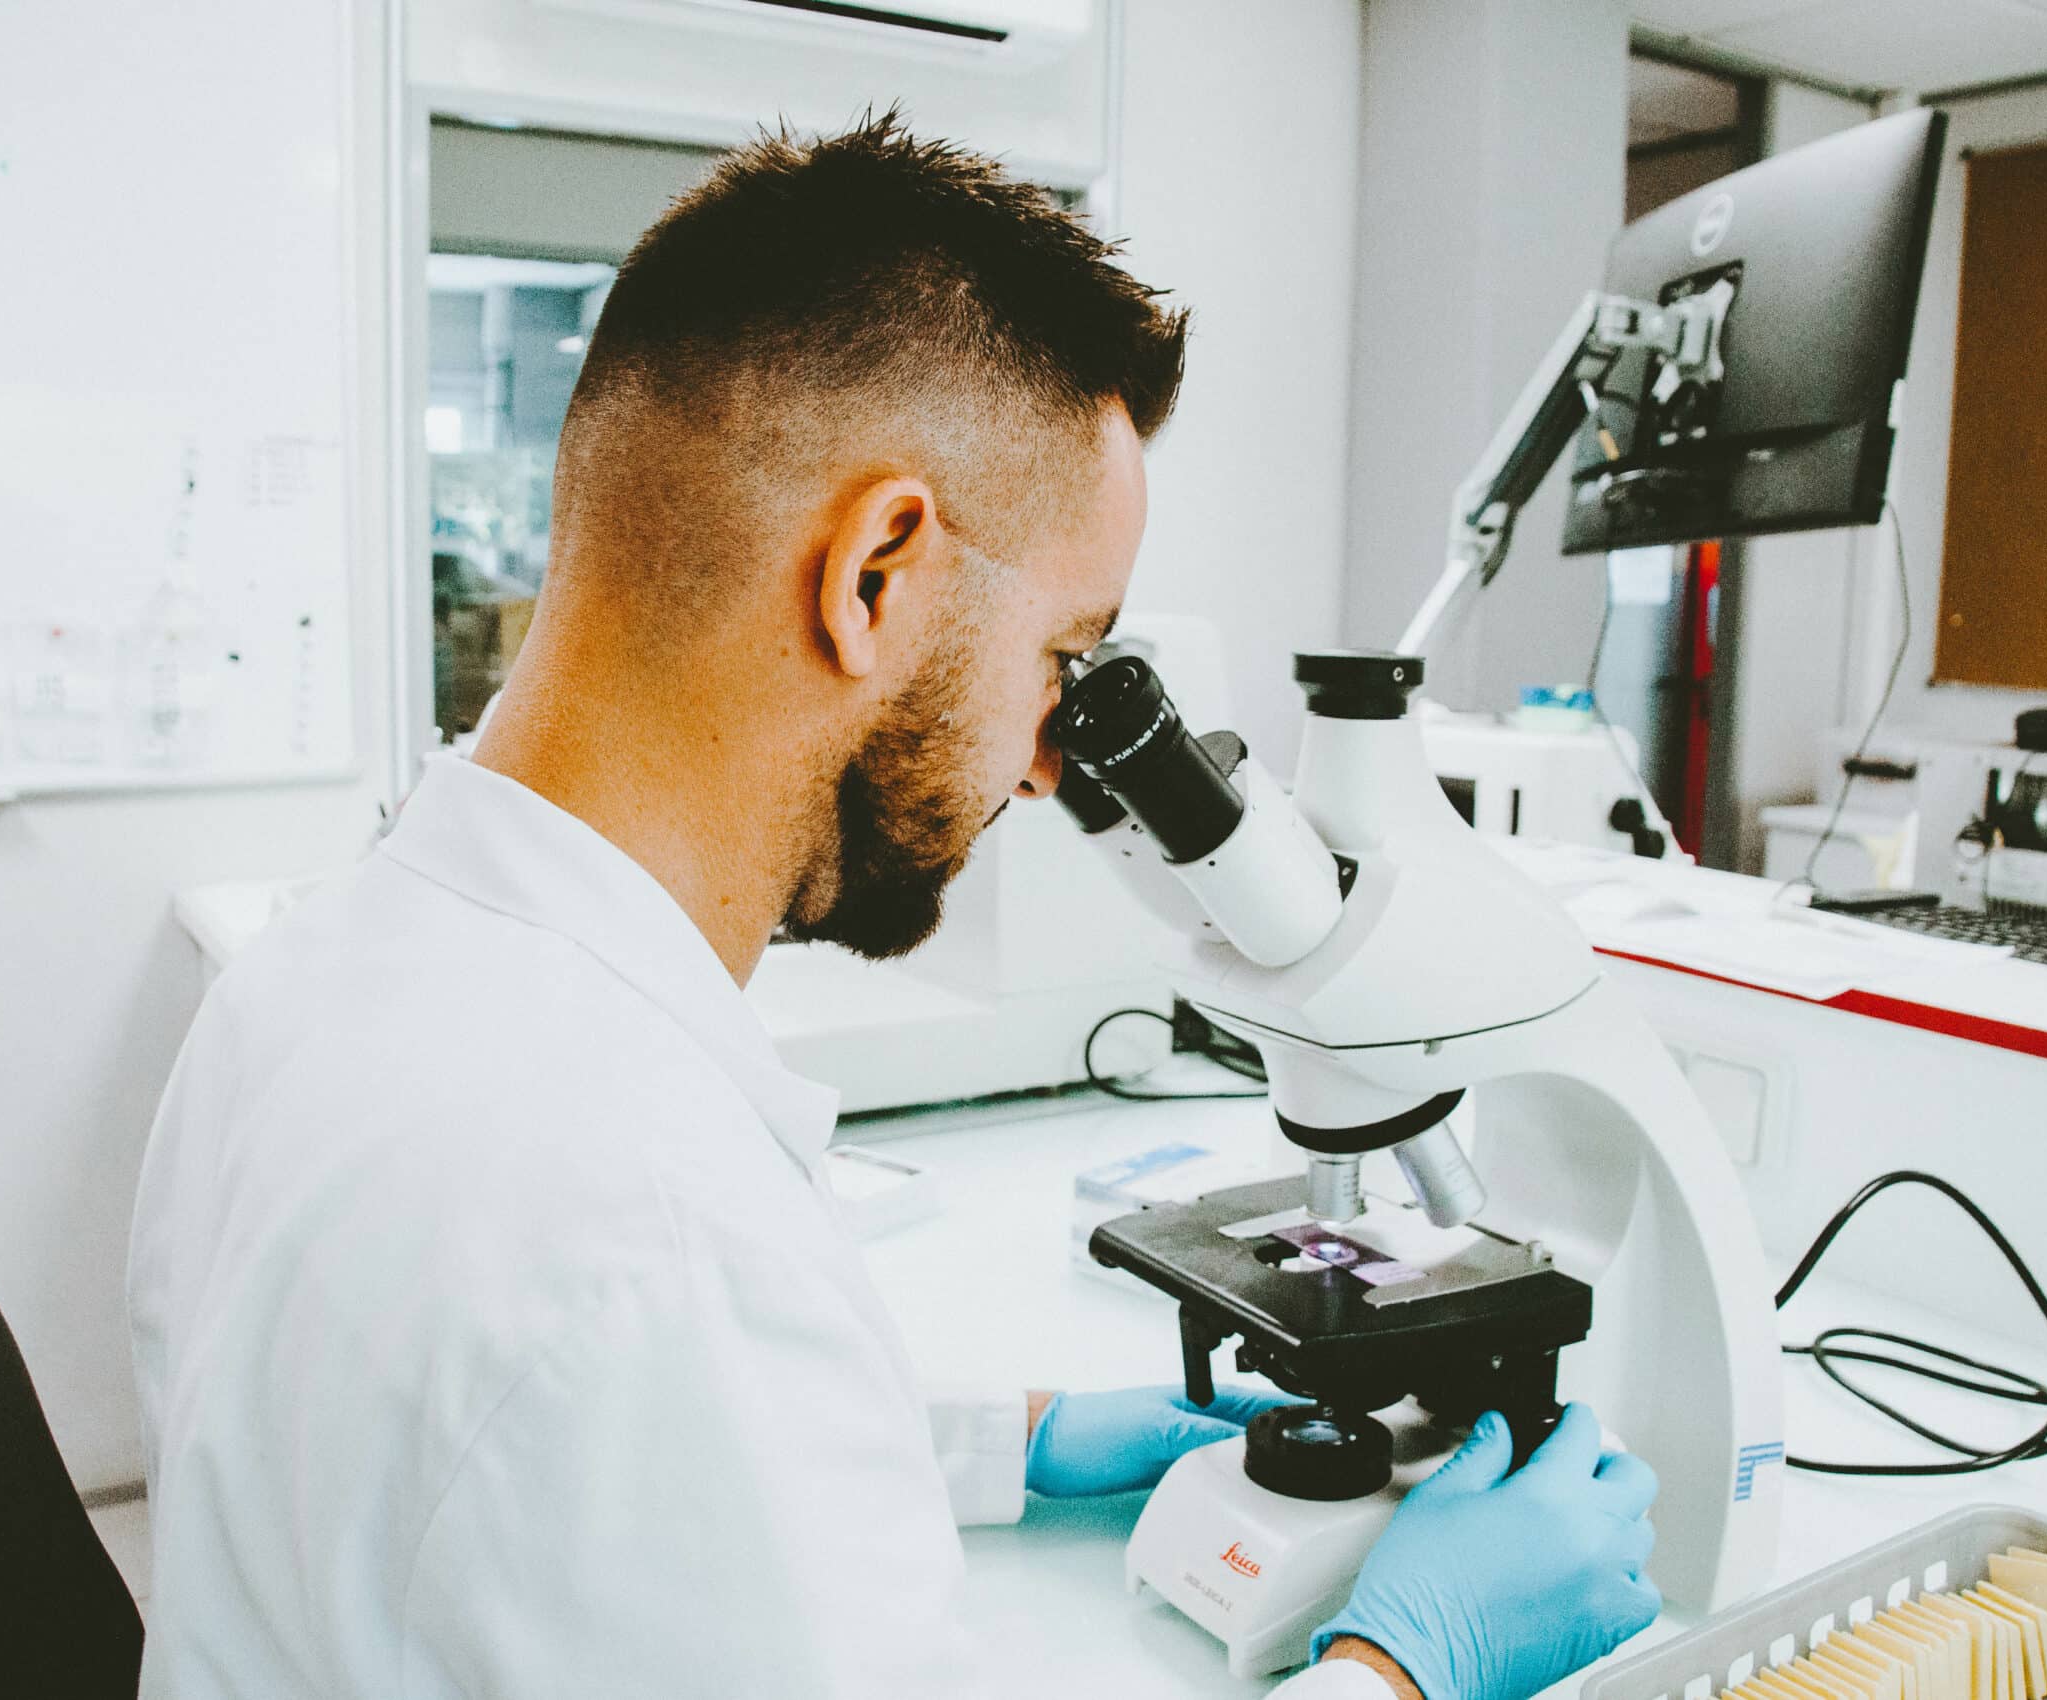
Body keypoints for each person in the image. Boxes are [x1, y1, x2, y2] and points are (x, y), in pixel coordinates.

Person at [126, 115, 1661, 1700]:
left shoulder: (303, 985)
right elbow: (625, 1392)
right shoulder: (651, 1247)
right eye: (1065, 662)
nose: (1056, 768)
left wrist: (999, 1446)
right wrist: (1400, 1672)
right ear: (874, 574)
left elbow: (504, 1482)